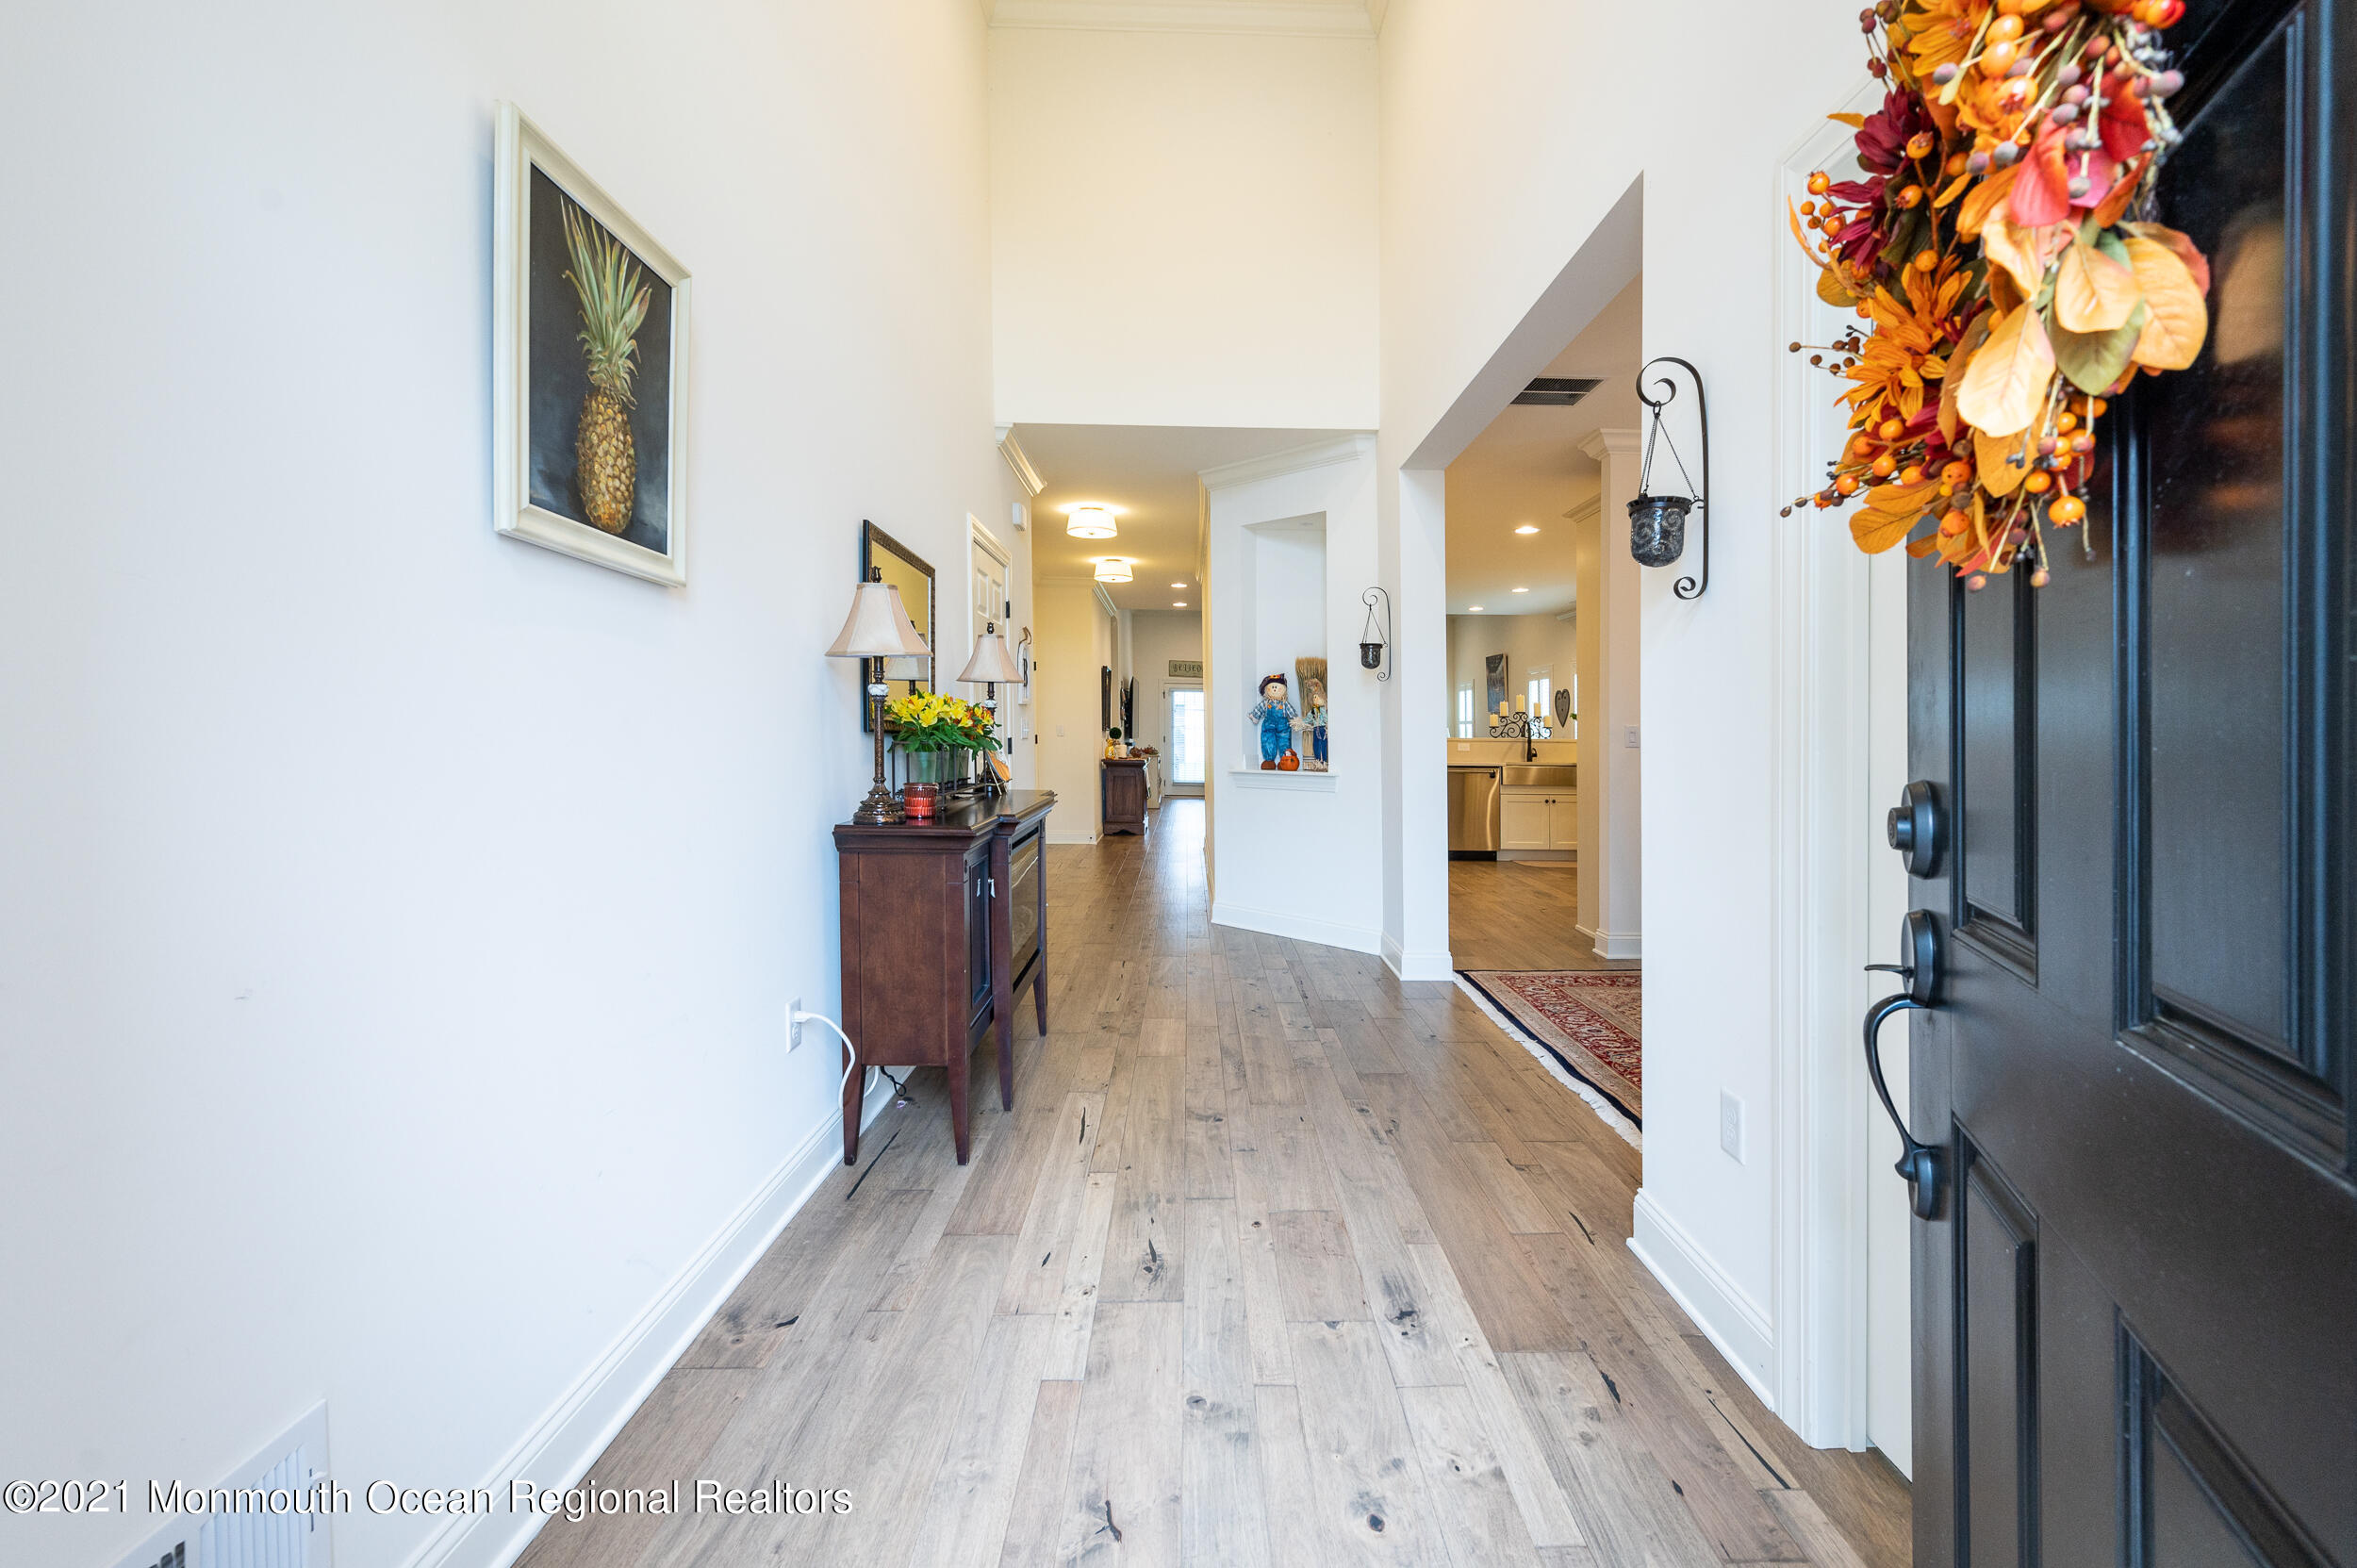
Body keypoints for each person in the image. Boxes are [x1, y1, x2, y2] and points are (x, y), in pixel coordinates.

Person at [1248, 673, 1295, 769]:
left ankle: (1284, 760)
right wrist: (1254, 716)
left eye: (1277, 687)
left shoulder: (1284, 703)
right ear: (1267, 689)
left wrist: (1295, 721)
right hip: (1268, 726)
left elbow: (1292, 713)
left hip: (1283, 727)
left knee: (1284, 741)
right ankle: (1269, 760)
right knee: (1267, 740)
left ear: (1283, 690)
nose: (1274, 689)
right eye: (1272, 687)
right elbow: (1259, 709)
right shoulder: (1266, 703)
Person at [1303, 675, 1328, 769]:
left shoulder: (1322, 709)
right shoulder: (1314, 709)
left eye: (1317, 697)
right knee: (1316, 744)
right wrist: (1302, 722)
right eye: (1314, 697)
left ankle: (1324, 761)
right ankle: (1318, 760)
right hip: (1315, 728)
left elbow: (1325, 717)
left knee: (1323, 744)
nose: (1315, 699)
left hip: (1322, 728)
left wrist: (1327, 725)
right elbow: (1309, 718)